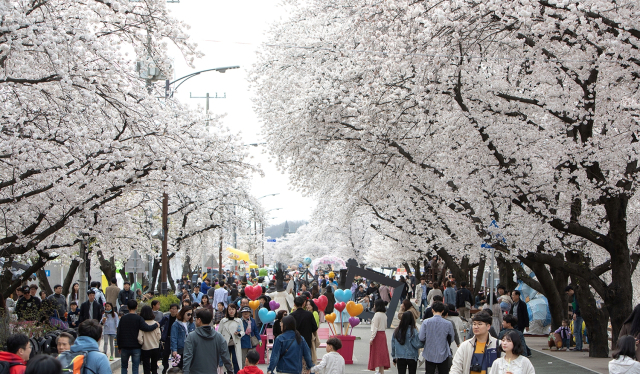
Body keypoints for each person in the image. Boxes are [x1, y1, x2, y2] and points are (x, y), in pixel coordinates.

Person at [182, 309, 234, 374]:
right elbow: (226, 357)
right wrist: (230, 371)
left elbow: (187, 358)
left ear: (199, 320)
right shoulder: (218, 337)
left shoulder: (191, 337)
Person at [117, 300, 160, 374]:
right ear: (136, 307)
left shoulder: (123, 318)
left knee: (124, 366)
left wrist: (119, 346)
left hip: (124, 346)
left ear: (127, 307)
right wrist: (156, 325)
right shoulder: (139, 319)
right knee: (135, 367)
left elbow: (119, 333)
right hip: (136, 347)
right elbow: (147, 328)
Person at [418, 302, 454, 374]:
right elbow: (451, 338)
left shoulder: (426, 322)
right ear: (443, 311)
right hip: (443, 353)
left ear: (432, 310)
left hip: (429, 352)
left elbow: (421, 337)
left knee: (429, 371)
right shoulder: (448, 323)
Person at [219, 304, 244, 373]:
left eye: (233, 309)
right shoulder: (223, 321)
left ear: (236, 310)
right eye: (229, 309)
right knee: (226, 360)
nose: (231, 311)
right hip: (225, 343)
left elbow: (242, 331)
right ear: (227, 310)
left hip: (235, 342)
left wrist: (238, 334)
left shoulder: (238, 320)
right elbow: (219, 332)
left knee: (235, 360)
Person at [369, 299, 390, 374]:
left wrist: (371, 338)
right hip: (383, 334)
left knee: (377, 353)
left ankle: (380, 370)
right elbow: (385, 326)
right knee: (382, 353)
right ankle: (381, 370)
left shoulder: (377, 314)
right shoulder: (384, 314)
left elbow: (375, 328)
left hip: (377, 335)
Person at [138, 305, 162, 374]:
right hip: (155, 347)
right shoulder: (156, 323)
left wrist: (142, 343)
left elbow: (140, 338)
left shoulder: (142, 324)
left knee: (146, 367)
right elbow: (159, 337)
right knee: (154, 366)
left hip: (145, 348)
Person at [160, 304, 180, 374]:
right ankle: (165, 367)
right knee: (165, 354)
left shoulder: (179, 319)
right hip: (167, 338)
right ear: (170, 310)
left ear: (177, 310)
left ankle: (175, 369)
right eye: (172, 309)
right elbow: (159, 324)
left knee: (175, 354)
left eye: (175, 309)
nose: (173, 310)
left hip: (176, 339)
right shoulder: (166, 318)